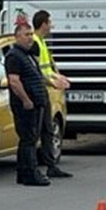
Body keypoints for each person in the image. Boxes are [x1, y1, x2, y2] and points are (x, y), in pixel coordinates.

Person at [6, 23, 51, 186]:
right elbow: (14, 81)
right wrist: (26, 100)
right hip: (25, 104)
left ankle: (23, 172)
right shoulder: (14, 56)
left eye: (31, 34)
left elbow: (37, 75)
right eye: (26, 34)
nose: (30, 37)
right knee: (28, 139)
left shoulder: (28, 55)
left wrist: (52, 82)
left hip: (36, 102)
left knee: (30, 138)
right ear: (17, 37)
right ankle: (31, 172)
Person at [31, 10, 73, 178]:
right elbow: (36, 70)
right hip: (38, 91)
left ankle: (50, 165)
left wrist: (59, 76)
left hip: (45, 91)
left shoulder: (41, 42)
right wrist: (53, 81)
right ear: (43, 24)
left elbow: (48, 66)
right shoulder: (34, 43)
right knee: (37, 131)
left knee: (47, 130)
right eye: (49, 23)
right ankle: (34, 167)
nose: (51, 26)